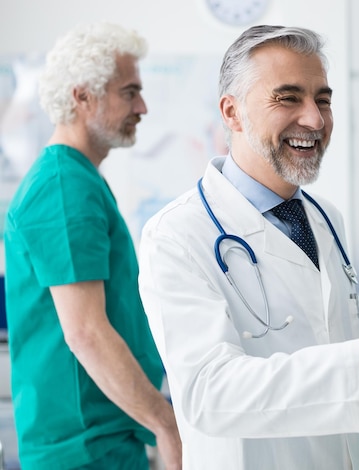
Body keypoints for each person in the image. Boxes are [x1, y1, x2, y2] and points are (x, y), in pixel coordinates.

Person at [138, 25, 359, 470]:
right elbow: (209, 392)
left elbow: (340, 348)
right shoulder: (177, 235)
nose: (315, 120)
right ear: (232, 112)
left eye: (323, 99)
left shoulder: (325, 219)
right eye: (288, 97)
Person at [3, 22, 181, 469]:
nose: (142, 106)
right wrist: (165, 423)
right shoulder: (64, 187)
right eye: (129, 92)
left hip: (102, 438)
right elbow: (86, 333)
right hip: (83, 449)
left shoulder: (78, 179)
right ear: (82, 97)